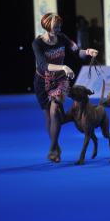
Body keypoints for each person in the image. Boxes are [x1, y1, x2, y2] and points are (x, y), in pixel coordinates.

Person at [32, 13, 99, 163]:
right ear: (47, 26)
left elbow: (77, 51)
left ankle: (52, 148)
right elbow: (43, 66)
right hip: (42, 81)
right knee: (49, 115)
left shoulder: (62, 38)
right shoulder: (37, 43)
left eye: (59, 26)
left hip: (60, 79)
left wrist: (87, 52)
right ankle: (56, 147)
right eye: (55, 26)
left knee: (55, 109)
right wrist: (63, 66)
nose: (58, 28)